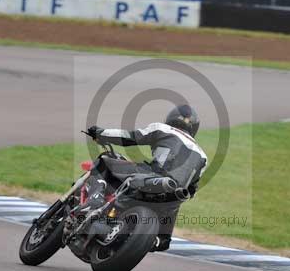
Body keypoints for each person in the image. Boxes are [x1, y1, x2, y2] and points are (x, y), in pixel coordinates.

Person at [85, 105, 207, 251]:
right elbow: (192, 190)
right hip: (172, 199)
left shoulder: (162, 129)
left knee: (103, 162)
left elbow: (129, 137)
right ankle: (157, 239)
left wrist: (100, 133)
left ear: (170, 119)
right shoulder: (202, 156)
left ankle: (93, 202)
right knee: (163, 240)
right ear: (195, 128)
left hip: (153, 177)